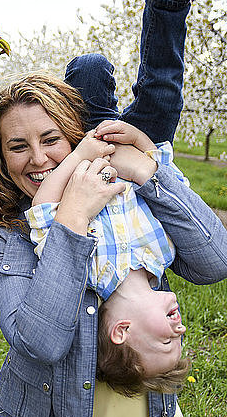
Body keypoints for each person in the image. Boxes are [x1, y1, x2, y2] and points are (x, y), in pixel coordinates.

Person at [0, 0, 227, 417]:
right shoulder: (6, 235)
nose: (37, 159)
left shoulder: (120, 181)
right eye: (17, 146)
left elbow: (214, 262)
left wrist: (150, 169)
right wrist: (72, 221)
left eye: (51, 138)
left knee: (151, 104)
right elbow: (40, 340)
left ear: (75, 134)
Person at [24, 120, 191, 396]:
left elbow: (42, 210)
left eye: (168, 341)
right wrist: (139, 138)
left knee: (92, 78)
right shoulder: (164, 255)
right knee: (163, 91)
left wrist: (79, 155)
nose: (181, 328)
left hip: (89, 138)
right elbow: (171, 183)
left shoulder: (85, 270)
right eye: (181, 339)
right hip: (129, 137)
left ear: (121, 331)